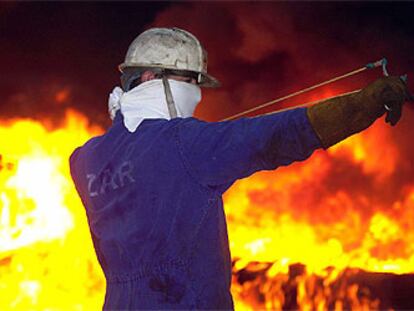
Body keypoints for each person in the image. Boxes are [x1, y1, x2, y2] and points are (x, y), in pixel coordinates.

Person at [69, 27, 408, 310]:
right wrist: (365, 104)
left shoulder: (85, 159)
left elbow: (143, 162)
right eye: (190, 81)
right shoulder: (185, 143)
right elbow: (277, 137)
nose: (196, 94)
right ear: (150, 78)